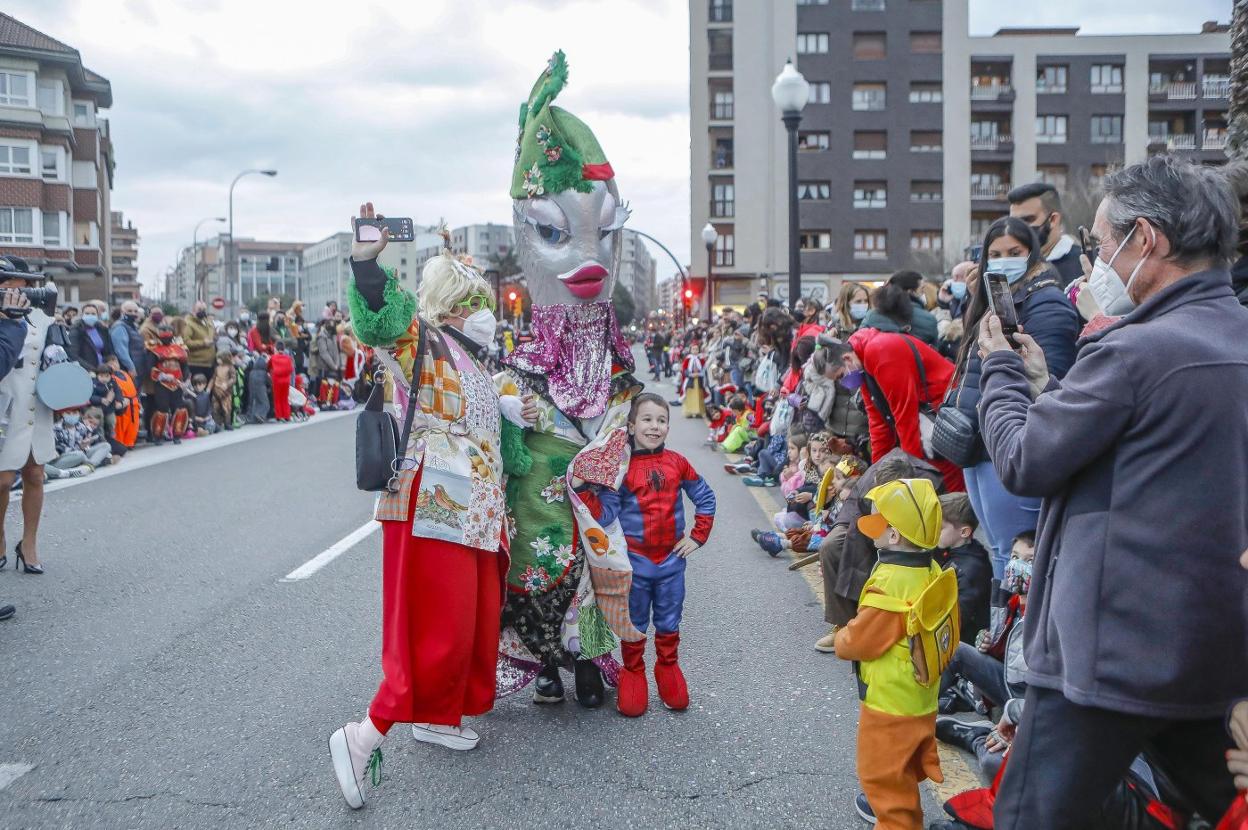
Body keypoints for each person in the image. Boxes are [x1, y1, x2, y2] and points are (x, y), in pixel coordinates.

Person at [977, 155, 1247, 827]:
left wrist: (1003, 372)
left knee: (1031, 814)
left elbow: (1024, 459)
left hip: (1107, 650)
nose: (1100, 261)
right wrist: (1049, 385)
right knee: (1220, 805)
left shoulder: (1134, 350)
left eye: (1103, 244)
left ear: (1146, 239)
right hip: (1214, 646)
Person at [328, 206, 530, 810]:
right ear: (445, 305)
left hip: (475, 507)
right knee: (435, 623)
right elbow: (381, 316)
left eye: (482, 299)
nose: (482, 312)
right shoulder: (423, 336)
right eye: (469, 301)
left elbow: (500, 442)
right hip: (433, 498)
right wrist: (368, 264)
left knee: (470, 617)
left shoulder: (480, 359)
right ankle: (363, 736)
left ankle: (438, 714)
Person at [948, 216, 1079, 578]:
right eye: (995, 253)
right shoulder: (995, 298)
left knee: (1015, 555)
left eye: (1014, 252)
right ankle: (1003, 630)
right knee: (1000, 550)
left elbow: (1051, 380)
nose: (1004, 259)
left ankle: (1013, 631)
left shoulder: (1045, 303)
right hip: (981, 438)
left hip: (1011, 439)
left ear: (1031, 254)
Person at [583, 393, 716, 717]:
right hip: (636, 564)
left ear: (668, 427)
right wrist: (585, 491)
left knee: (670, 622)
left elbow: (706, 497)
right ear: (631, 425)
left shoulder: (678, 463)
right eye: (647, 419)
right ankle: (634, 671)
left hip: (672, 563)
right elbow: (604, 515)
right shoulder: (621, 468)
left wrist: (697, 538)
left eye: (661, 420)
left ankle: (668, 667)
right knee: (636, 623)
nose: (654, 426)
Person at [834, 478, 947, 829]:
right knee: (902, 770)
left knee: (881, 777)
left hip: (890, 705)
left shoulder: (893, 584)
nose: (873, 526)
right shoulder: (930, 570)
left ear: (895, 536)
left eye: (879, 521)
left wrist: (842, 636)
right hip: (920, 698)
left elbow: (857, 643)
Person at [817, 328, 963, 493]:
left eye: (840, 376)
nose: (843, 382)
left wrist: (912, 473)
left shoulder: (879, 352)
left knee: (951, 488)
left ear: (846, 358)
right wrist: (877, 475)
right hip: (932, 419)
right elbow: (877, 421)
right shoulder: (863, 357)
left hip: (943, 416)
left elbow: (905, 417)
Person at [0, 258, 59, 575]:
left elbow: (56, 358)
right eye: (4, 281)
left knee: (35, 474)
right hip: (4, 405)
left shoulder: (42, 315)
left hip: (36, 404)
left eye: (15, 281)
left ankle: (29, 543)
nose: (10, 287)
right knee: (3, 480)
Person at [934, 493, 991, 647]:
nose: (934, 531)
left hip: (964, 645)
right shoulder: (958, 552)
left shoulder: (970, 570)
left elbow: (957, 619)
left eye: (940, 528)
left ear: (964, 532)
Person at [1007, 181, 1085, 286]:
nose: (1019, 228)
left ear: (1053, 219)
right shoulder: (1014, 264)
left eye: (1028, 220)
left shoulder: (1082, 265)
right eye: (1014, 222)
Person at [861, 271, 939, 346]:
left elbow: (859, 342)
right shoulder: (928, 319)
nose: (923, 293)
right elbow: (934, 350)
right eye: (922, 289)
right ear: (910, 292)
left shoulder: (872, 315)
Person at [147, 325, 189, 445]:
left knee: (179, 409)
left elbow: (185, 366)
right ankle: (158, 435)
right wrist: (162, 376)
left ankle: (177, 434)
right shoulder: (153, 349)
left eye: (168, 331)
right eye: (163, 331)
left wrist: (186, 380)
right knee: (162, 409)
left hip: (177, 383)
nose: (166, 334)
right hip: (162, 384)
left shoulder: (180, 348)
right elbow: (150, 367)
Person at [70, 301, 114, 371]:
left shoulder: (102, 329)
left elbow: (107, 351)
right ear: (82, 315)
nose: (90, 316)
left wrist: (110, 362)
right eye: (87, 313)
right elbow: (73, 355)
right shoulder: (76, 330)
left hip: (103, 371)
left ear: (97, 315)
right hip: (87, 370)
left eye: (93, 314)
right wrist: (91, 369)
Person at [182, 300, 217, 380]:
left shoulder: (209, 322)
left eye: (204, 310)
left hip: (210, 363)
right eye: (199, 309)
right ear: (193, 310)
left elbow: (212, 335)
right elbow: (186, 342)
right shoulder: (188, 323)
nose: (202, 312)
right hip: (196, 363)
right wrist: (203, 343)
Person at [110, 300, 145, 376]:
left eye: (135, 311)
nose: (133, 313)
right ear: (122, 312)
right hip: (127, 369)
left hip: (138, 366)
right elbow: (121, 351)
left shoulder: (133, 326)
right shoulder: (119, 327)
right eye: (129, 311)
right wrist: (131, 367)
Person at [268, 341, 294, 422]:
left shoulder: (273, 357)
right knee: (285, 398)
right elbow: (291, 369)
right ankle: (287, 415)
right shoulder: (288, 358)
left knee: (277, 399)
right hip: (286, 380)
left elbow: (268, 366)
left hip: (277, 380)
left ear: (276, 348)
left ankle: (279, 416)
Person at [211, 353, 236, 431]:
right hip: (216, 390)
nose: (218, 360)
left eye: (219, 358)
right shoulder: (217, 368)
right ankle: (217, 423)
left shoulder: (230, 368)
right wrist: (209, 388)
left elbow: (233, 378)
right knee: (216, 407)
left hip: (226, 392)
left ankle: (227, 423)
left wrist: (227, 384)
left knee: (227, 407)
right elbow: (213, 378)